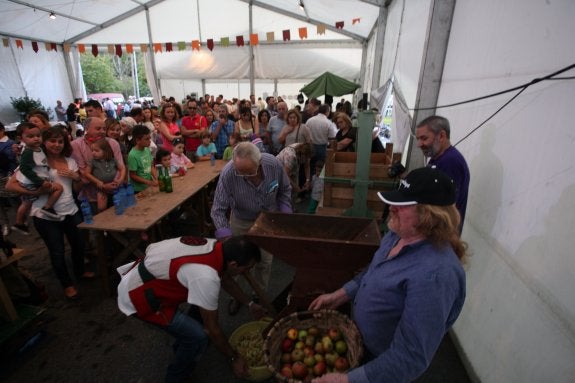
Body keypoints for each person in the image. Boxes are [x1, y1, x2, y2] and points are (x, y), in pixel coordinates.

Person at [309, 167, 467, 383]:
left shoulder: (435, 275)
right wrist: (341, 294)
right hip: (362, 345)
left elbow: (410, 356)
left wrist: (346, 381)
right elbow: (374, 272)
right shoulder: (397, 234)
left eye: (402, 205)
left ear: (429, 215)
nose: (391, 207)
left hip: (383, 365)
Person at [116, 235, 265, 383]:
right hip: (139, 296)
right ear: (233, 265)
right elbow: (211, 329)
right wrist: (234, 358)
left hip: (153, 278)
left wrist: (250, 304)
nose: (247, 272)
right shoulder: (206, 277)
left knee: (204, 302)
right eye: (247, 268)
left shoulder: (215, 247)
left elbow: (225, 278)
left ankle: (183, 347)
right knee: (199, 337)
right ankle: (176, 377)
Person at [6, 126, 93, 300]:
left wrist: (77, 179)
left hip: (70, 210)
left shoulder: (70, 161)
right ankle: (66, 284)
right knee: (57, 250)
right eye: (52, 141)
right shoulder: (36, 160)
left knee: (78, 245)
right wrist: (36, 193)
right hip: (45, 215)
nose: (57, 145)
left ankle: (80, 271)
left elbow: (75, 189)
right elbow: (10, 185)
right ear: (44, 142)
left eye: (60, 141)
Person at [211, 142, 292, 314]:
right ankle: (238, 296)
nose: (246, 177)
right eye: (241, 173)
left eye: (250, 172)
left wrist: (285, 216)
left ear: (260, 163)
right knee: (237, 263)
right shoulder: (228, 173)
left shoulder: (273, 164)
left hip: (267, 220)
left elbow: (285, 190)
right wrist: (227, 238)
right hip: (241, 218)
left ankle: (258, 295)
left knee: (264, 262)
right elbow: (218, 209)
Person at [415, 115, 470, 230]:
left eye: (424, 138)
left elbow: (446, 207)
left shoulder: (450, 162)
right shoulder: (436, 158)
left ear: (441, 136)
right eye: (418, 139)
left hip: (441, 233)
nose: (419, 144)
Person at [71, 117, 125, 209]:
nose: (102, 131)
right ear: (86, 129)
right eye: (98, 128)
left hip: (116, 192)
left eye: (104, 128)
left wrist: (115, 183)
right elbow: (83, 173)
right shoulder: (76, 145)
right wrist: (103, 186)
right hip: (91, 197)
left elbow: (120, 166)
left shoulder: (112, 143)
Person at [14, 122, 63, 220]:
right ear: (21, 139)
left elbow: (41, 163)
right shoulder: (28, 152)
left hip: (36, 181)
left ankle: (20, 223)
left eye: (38, 135)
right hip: (33, 183)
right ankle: (47, 208)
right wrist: (40, 182)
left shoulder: (38, 149)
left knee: (26, 203)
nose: (36, 138)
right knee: (58, 188)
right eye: (31, 136)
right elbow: (24, 169)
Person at [84, 138, 124, 212]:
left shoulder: (112, 160)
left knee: (119, 204)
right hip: (102, 189)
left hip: (114, 186)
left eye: (96, 151)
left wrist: (120, 179)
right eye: (92, 150)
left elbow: (122, 169)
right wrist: (98, 182)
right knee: (101, 208)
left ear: (105, 151)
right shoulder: (93, 161)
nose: (93, 153)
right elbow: (86, 173)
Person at [276, 143, 313, 207]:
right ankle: (284, 210)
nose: (307, 159)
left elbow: (307, 166)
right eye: (306, 158)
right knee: (285, 190)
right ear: (302, 154)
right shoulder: (291, 156)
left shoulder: (304, 151)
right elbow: (285, 175)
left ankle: (291, 207)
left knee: (294, 191)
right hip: (279, 170)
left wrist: (307, 180)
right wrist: (295, 186)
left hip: (292, 168)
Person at [128, 125, 158, 193]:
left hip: (148, 186)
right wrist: (148, 182)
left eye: (149, 138)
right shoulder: (132, 155)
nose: (150, 141)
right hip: (138, 189)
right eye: (147, 139)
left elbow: (151, 166)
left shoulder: (147, 149)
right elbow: (133, 175)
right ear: (138, 140)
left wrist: (156, 178)